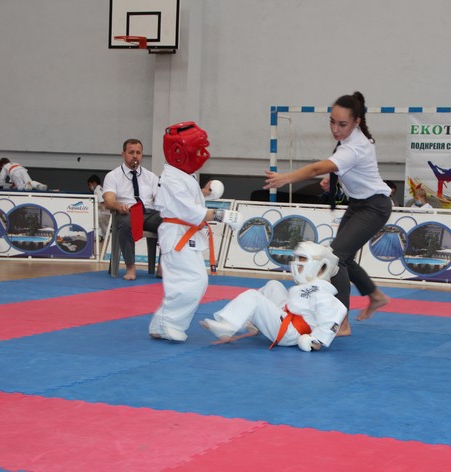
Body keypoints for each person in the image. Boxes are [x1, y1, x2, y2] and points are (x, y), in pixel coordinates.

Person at [264, 92, 392, 336]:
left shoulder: (355, 146)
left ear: (356, 121)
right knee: (345, 258)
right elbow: (350, 170)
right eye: (332, 122)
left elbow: (317, 167)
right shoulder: (352, 138)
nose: (335, 129)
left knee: (335, 258)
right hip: (359, 204)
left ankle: (341, 323)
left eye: (342, 124)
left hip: (374, 207)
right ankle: (375, 296)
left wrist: (285, 178)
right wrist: (335, 180)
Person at [149, 121, 243, 342]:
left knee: (186, 281)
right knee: (192, 281)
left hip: (184, 235)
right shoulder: (171, 178)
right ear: (180, 153)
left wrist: (205, 194)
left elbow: (187, 200)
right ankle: (168, 323)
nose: (201, 155)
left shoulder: (181, 174)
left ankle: (162, 323)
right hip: (177, 235)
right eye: (196, 150)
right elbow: (188, 210)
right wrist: (221, 215)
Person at [201, 241, 348, 351]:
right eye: (297, 261)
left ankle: (227, 327)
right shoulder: (313, 286)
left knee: (253, 296)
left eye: (301, 263)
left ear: (319, 267)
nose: (296, 266)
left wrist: (316, 340)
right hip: (287, 315)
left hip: (291, 332)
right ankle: (252, 323)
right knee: (274, 285)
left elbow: (336, 314)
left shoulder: (322, 293)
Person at [102, 139, 162, 281]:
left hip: (148, 213)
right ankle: (130, 267)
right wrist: (119, 207)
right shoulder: (113, 176)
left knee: (169, 221)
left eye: (138, 153)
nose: (135, 156)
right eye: (131, 152)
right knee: (127, 222)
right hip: (126, 212)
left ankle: (162, 265)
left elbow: (160, 199)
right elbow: (109, 201)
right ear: (123, 154)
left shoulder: (151, 177)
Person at [87, 174, 111, 240]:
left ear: (94, 183)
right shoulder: (101, 189)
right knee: (105, 228)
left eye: (89, 185)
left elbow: (102, 202)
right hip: (105, 213)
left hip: (102, 213)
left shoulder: (97, 190)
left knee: (96, 224)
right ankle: (105, 239)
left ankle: (98, 236)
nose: (89, 187)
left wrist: (93, 205)